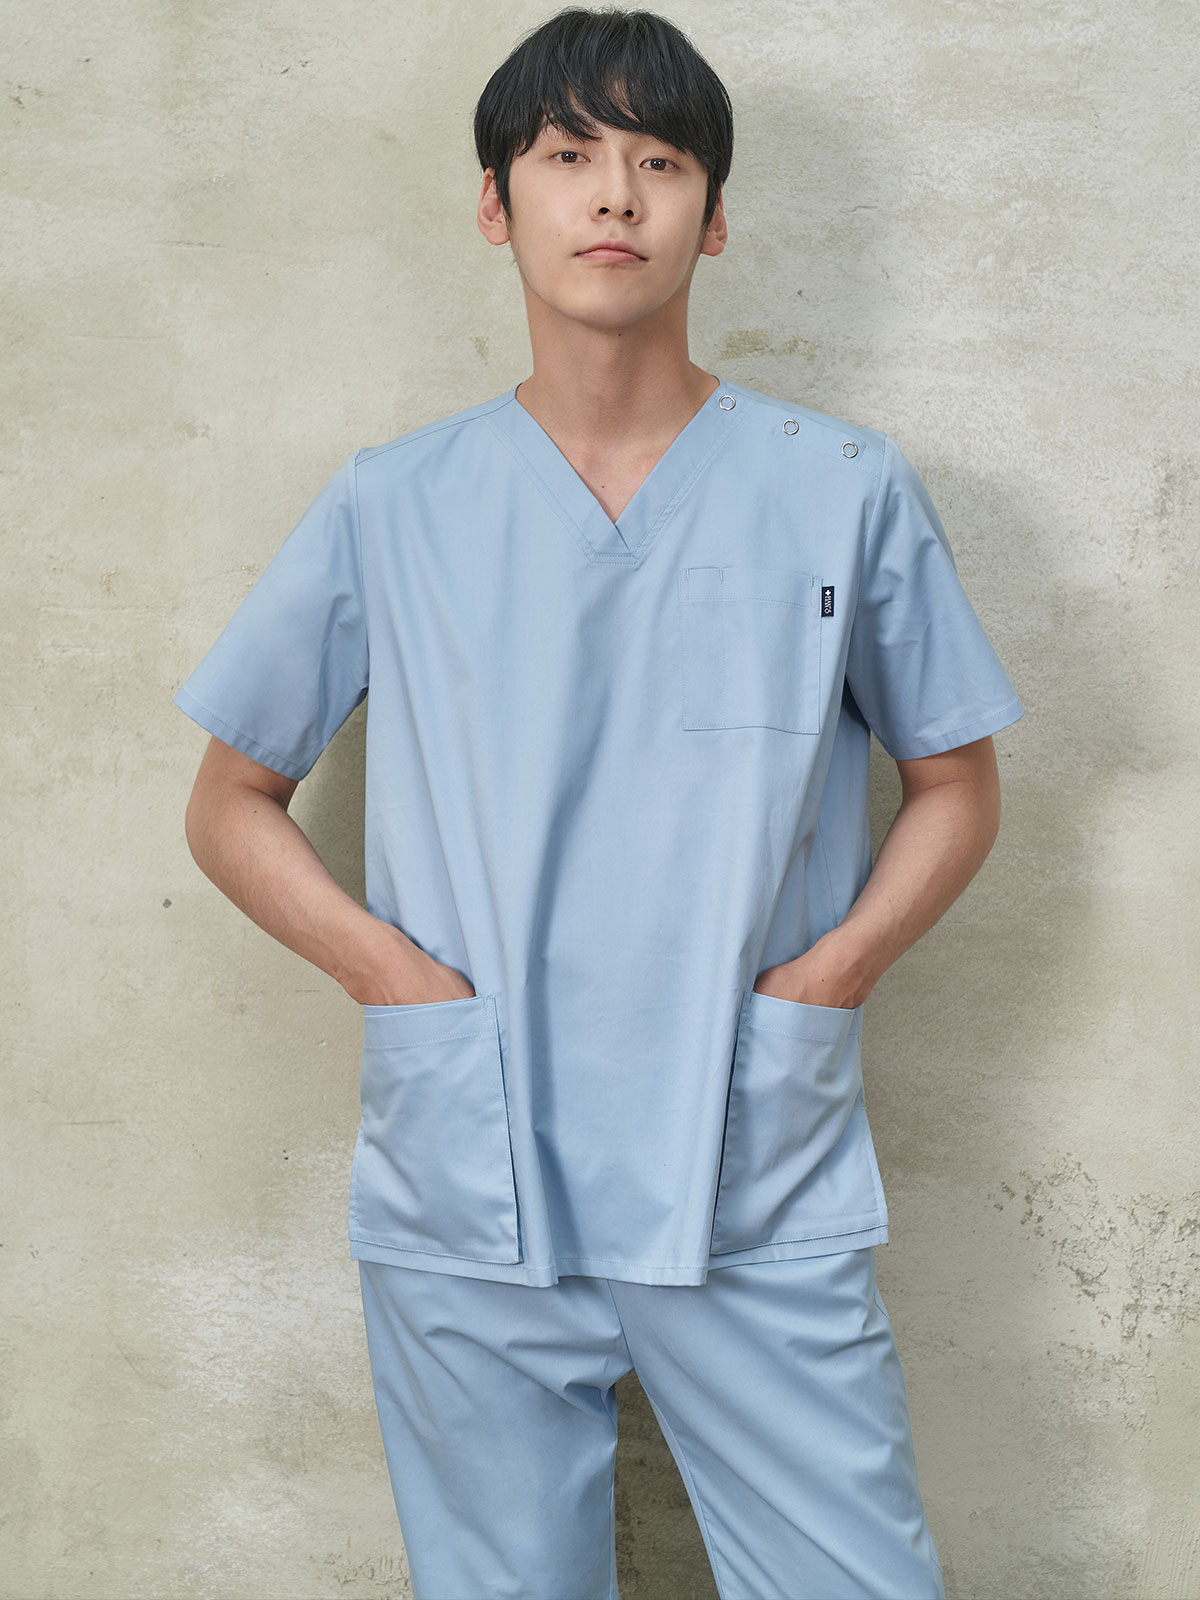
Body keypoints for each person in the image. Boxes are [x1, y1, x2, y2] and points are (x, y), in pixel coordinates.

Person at [173, 7, 1025, 1596]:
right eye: (569, 155)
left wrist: (826, 980)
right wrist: (397, 984)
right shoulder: (394, 502)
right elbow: (230, 798)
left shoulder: (839, 490)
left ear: (717, 216)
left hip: (751, 1157)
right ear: (496, 205)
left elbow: (956, 781)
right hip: (475, 1164)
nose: (616, 194)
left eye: (661, 161)